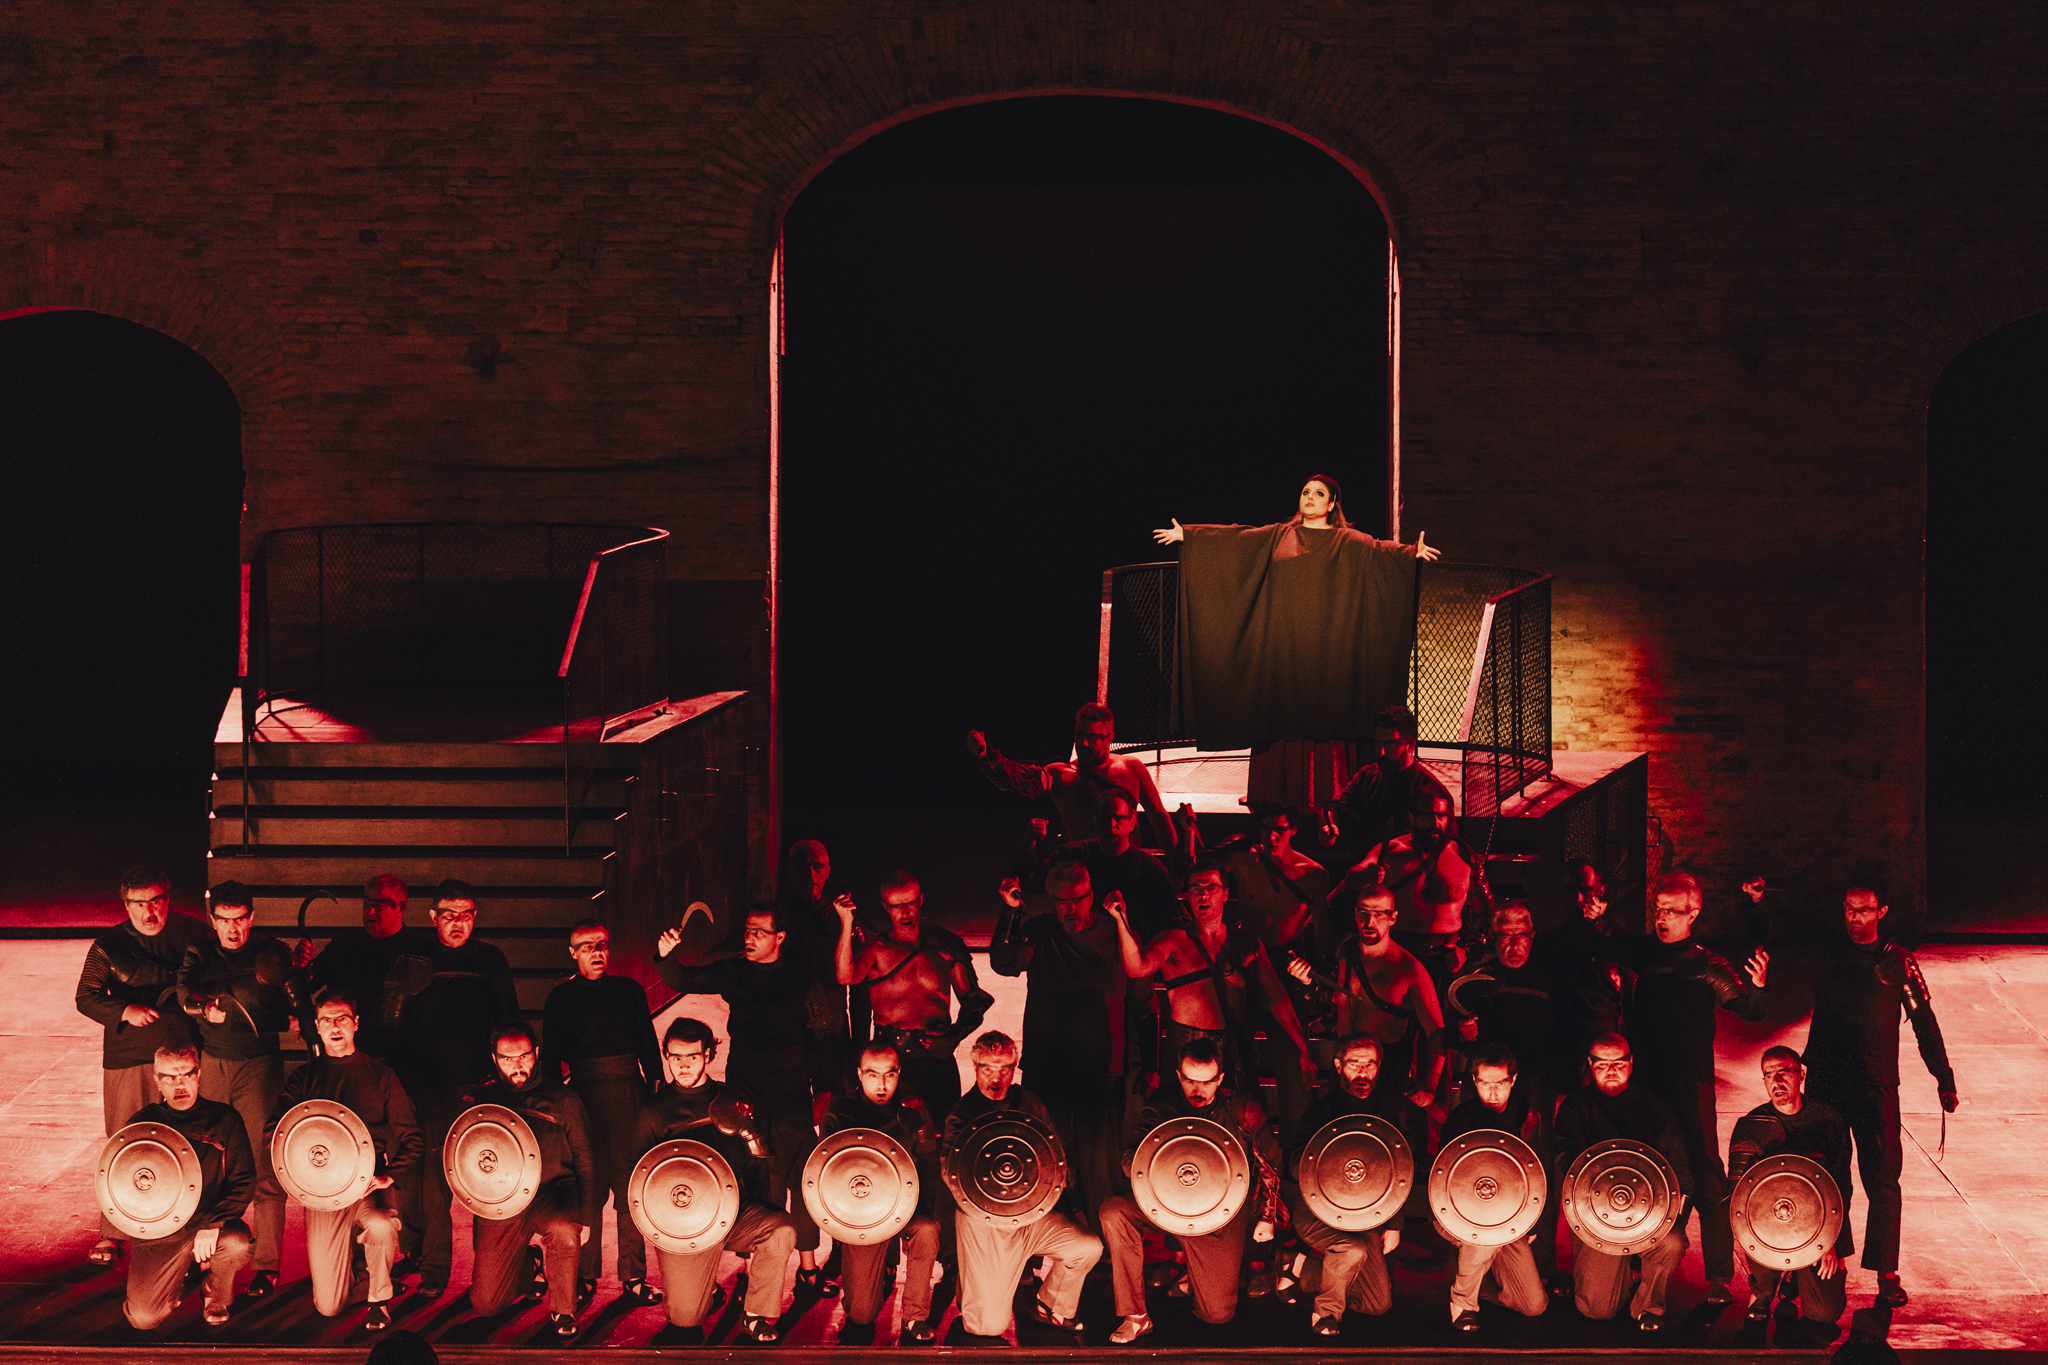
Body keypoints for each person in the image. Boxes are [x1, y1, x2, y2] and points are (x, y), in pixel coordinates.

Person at [1153, 475, 1439, 809]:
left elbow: (1379, 551)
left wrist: (1410, 553)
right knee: (1280, 709)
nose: (1310, 498)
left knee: (1328, 708)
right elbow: (1237, 539)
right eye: (1305, 492)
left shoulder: (1348, 541)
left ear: (1332, 504)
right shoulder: (1279, 535)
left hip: (1329, 644)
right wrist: (1190, 535)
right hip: (1283, 644)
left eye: (1319, 493)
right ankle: (1273, 791)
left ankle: (1331, 795)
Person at [1579, 871, 1767, 1303]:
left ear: (1693, 913)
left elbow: (1752, 1011)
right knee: (1639, 1170)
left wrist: (1759, 986)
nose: (1662, 918)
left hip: (1690, 1082)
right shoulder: (1641, 953)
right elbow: (1594, 946)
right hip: (1644, 1083)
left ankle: (1719, 1276)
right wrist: (1593, 920)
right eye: (1658, 909)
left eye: (1672, 911)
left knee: (1707, 1175)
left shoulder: (1708, 963)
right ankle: (1633, 1264)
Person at [659, 902, 836, 1294]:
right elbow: (682, 979)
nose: (750, 937)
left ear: (780, 937)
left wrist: (823, 1091)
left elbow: (825, 1038)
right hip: (745, 1088)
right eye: (747, 930)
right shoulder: (735, 971)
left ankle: (808, 1269)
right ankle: (751, 1269)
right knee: (755, 1175)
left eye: (759, 931)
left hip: (791, 1089)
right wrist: (666, 955)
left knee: (802, 1178)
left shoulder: (803, 980)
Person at [1802, 881, 1958, 1309]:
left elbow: (1924, 1021)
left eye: (1865, 910)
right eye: (1849, 908)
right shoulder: (1829, 954)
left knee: (1884, 1183)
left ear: (1882, 911)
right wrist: (1756, 907)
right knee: (1828, 1177)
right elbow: (1772, 943)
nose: (1855, 917)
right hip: (1828, 1082)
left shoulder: (1899, 960)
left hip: (1876, 1085)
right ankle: (1829, 1260)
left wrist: (1943, 1076)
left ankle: (1887, 1273)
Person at [1098, 1038, 1282, 1343]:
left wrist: (1267, 1216)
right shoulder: (1162, 1104)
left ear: (1220, 1079)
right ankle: (1136, 1316)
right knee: (1114, 1211)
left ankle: (1199, 1278)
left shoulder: (1241, 1108)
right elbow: (1130, 1159)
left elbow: (1271, 1163)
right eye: (1190, 1081)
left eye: (1207, 1082)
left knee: (1217, 1315)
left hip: (1220, 1215)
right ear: (1179, 1076)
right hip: (1166, 1204)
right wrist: (1162, 1167)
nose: (1198, 1090)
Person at [391, 879, 521, 1298]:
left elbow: (509, 1022)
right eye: (449, 914)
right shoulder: (415, 959)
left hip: (478, 1087)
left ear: (474, 917)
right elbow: (396, 1026)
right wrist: (409, 1085)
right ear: (433, 917)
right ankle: (433, 1269)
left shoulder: (490, 959)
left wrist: (502, 1083)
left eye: (466, 915)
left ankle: (495, 1266)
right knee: (431, 1186)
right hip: (429, 1087)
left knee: (488, 1178)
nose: (457, 922)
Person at [75, 866, 208, 1267]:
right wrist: (124, 1010)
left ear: (167, 898)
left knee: (188, 1139)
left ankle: (187, 1225)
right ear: (126, 905)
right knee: (124, 1141)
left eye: (155, 901)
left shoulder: (196, 935)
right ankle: (114, 1231)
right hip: (128, 1055)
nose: (149, 911)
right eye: (138, 903)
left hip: (185, 1054)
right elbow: (86, 995)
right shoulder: (110, 944)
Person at [634, 1017, 796, 1343]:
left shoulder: (731, 1101)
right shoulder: (653, 1111)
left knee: (780, 1230)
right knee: (685, 1325)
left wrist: (762, 1217)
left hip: (733, 1212)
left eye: (692, 1056)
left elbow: (758, 1166)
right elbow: (636, 1177)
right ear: (666, 1056)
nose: (683, 1066)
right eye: (676, 1057)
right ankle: (705, 1293)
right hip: (682, 1224)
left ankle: (754, 1315)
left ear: (707, 1055)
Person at [266, 992, 421, 1328]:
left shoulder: (381, 1075)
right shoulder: (304, 1078)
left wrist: (389, 1176)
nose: (335, 1027)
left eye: (342, 1019)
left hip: (369, 1183)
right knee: (329, 1306)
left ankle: (379, 1298)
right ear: (317, 1027)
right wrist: (300, 1174)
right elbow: (273, 1133)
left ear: (356, 1024)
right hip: (323, 1192)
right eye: (326, 1021)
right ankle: (364, 1275)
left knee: (380, 1224)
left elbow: (412, 1138)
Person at [989, 863, 1134, 1218]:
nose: (1070, 909)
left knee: (1099, 1167)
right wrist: (1011, 911)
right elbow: (1005, 962)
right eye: (1060, 902)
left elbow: (1139, 995)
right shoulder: (1041, 930)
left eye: (1077, 900)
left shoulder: (1111, 932)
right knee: (1045, 1159)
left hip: (1098, 1062)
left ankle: (1102, 1242)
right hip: (1047, 1061)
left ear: (1091, 896)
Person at [175, 881, 293, 1296]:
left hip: (260, 1065)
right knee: (207, 1163)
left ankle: (267, 1264)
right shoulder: (200, 953)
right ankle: (203, 1257)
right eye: (224, 920)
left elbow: (289, 997)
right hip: (214, 1063)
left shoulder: (270, 951)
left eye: (240, 919)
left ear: (251, 918)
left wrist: (301, 969)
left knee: (265, 1164)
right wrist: (201, 1007)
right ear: (213, 921)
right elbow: (183, 990)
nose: (233, 928)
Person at [1106, 860, 1314, 1095]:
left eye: (1210, 888)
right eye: (1196, 889)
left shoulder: (1245, 942)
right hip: (1183, 1048)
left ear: (1225, 894)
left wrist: (1303, 1049)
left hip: (1231, 1051)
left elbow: (1276, 999)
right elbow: (1137, 968)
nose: (1203, 895)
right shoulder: (1173, 940)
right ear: (1188, 895)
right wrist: (1120, 921)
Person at [944, 1031, 1102, 1339]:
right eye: (988, 1068)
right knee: (987, 1327)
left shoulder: (1029, 1103)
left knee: (1087, 1247)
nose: (996, 1077)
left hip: (1030, 1218)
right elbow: (952, 1176)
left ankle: (1052, 1305)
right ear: (975, 1068)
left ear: (1014, 1067)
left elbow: (1056, 1157)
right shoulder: (962, 1115)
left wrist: (1073, 1207)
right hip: (986, 1224)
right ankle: (972, 1277)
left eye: (1004, 1068)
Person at [543, 917, 664, 1306]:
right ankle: (585, 1275)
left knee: (631, 1187)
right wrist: (552, 1112)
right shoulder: (560, 998)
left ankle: (634, 1276)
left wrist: (656, 1094)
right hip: (583, 1099)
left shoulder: (629, 991)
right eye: (587, 946)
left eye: (602, 944)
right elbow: (550, 1060)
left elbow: (648, 1045)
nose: (596, 952)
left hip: (629, 1094)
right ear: (573, 953)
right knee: (588, 1188)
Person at [457, 1022, 599, 1335]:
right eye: (507, 1059)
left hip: (552, 1192)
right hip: (504, 1202)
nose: (517, 1065)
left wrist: (587, 1217)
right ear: (495, 1059)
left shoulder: (562, 1098)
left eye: (523, 1056)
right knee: (486, 1305)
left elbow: (586, 1160)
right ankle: (528, 1264)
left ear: (536, 1053)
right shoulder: (484, 1100)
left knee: (563, 1229)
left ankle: (563, 1309)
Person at [1554, 1034, 1692, 1330]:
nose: (1611, 1070)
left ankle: (1648, 1306)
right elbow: (1568, 1166)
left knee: (1671, 1242)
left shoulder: (1655, 1107)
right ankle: (1621, 1276)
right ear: (1590, 1065)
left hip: (1649, 1215)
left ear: (1631, 1063)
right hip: (1597, 1220)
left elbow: (1681, 1168)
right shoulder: (1575, 1108)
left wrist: (1677, 1220)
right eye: (1603, 1064)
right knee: (1596, 1310)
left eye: (1618, 1063)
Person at [834, 872, 994, 1126]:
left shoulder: (946, 945)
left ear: (920, 900)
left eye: (910, 903)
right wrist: (845, 922)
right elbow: (846, 976)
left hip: (936, 1059)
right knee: (891, 1134)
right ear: (886, 907)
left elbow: (975, 999)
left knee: (943, 1131)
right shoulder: (877, 949)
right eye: (897, 906)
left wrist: (954, 1034)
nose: (905, 912)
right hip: (889, 1060)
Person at [1292, 885, 1445, 1147]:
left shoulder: (1409, 969)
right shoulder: (1341, 951)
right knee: (1340, 1140)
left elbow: (1437, 1032)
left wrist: (1430, 1085)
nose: (1369, 921)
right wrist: (1306, 980)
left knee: (1386, 1146)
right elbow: (1322, 999)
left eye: (1378, 914)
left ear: (1393, 917)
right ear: (1355, 914)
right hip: (1345, 1065)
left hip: (1389, 1071)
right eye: (1364, 913)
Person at [118, 1044, 254, 1329]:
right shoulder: (142, 1125)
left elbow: (244, 1181)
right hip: (160, 1233)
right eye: (170, 1077)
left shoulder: (225, 1120)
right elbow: (121, 1187)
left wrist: (212, 1224)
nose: (179, 1085)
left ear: (198, 1075)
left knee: (237, 1243)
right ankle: (176, 1282)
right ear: (157, 1080)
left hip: (207, 1224)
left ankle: (214, 1293)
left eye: (187, 1074)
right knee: (143, 1318)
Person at [818, 1042, 944, 1344]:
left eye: (889, 1074)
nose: (882, 1084)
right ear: (860, 1074)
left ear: (899, 1073)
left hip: (905, 1205)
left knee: (927, 1229)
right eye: (873, 1075)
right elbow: (824, 1174)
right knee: (861, 1315)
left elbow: (928, 1162)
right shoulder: (840, 1112)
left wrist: (924, 1208)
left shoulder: (912, 1108)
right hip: (862, 1216)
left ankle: (915, 1316)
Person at [1728, 1046, 1852, 1342]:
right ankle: (1763, 1292)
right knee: (1760, 1292)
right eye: (1768, 1075)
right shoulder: (1752, 1124)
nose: (1776, 1081)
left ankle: (1795, 1278)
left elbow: (1840, 1188)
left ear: (1801, 1075)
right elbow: (1737, 1196)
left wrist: (1831, 1243)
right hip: (1767, 1225)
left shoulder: (1828, 1119)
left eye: (1783, 1072)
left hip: (1815, 1226)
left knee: (1825, 1313)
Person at [1284, 1034, 1403, 1335]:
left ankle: (1300, 1267)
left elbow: (1401, 1172)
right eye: (1354, 1064)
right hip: (1317, 1212)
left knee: (1378, 1304)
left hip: (1365, 1217)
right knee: (1351, 1250)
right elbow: (1295, 1166)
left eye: (1369, 1064)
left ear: (1378, 1066)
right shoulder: (1319, 1113)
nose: (1362, 1072)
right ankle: (1326, 1314)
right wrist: (1331, 1156)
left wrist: (1394, 1225)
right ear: (1338, 1066)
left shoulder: (1387, 1113)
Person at [1437, 1042, 1552, 1330]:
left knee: (1534, 1306)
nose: (1492, 1092)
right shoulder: (1462, 1118)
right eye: (1484, 1083)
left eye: (1500, 1083)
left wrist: (1531, 1223)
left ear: (1513, 1080)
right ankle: (1463, 1303)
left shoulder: (1526, 1114)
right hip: (1461, 1213)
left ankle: (1475, 1279)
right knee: (1483, 1239)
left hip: (1510, 1217)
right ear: (1474, 1081)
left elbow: (1537, 1173)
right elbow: (1443, 1179)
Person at [971, 702, 1180, 850]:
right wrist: (985, 755)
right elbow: (1018, 781)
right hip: (1086, 870)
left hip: (1129, 867)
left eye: (1092, 737)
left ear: (1110, 738)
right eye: (1079, 735)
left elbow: (1158, 815)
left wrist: (1175, 860)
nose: (1083, 743)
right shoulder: (1061, 775)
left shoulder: (1131, 768)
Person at [1349, 788, 1476, 1008]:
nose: (1435, 823)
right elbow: (1351, 879)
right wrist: (1367, 876)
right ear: (1412, 817)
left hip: (1445, 961)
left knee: (1442, 1025)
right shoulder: (1390, 851)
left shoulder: (1464, 855)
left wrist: (1465, 949)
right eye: (1427, 815)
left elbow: (1486, 912)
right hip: (1396, 956)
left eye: (1441, 815)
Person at [1023, 785, 1183, 944]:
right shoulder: (1073, 854)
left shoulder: (1151, 870)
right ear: (1095, 821)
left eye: (1118, 817)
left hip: (1133, 951)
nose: (1111, 824)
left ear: (1132, 821)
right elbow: (1032, 883)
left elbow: (1170, 924)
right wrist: (1030, 844)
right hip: (1081, 950)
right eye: (1104, 818)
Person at [1450, 902, 1570, 1102]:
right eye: (1505, 936)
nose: (1514, 945)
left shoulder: (1550, 981)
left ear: (1531, 937)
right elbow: (1454, 1035)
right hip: (1487, 1078)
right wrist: (1463, 1034)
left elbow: (1564, 1038)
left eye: (1520, 935)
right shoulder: (1478, 979)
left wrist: (1563, 1086)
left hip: (1535, 1081)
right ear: (1494, 938)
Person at [298, 874, 426, 1058]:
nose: (370, 912)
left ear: (401, 907)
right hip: (347, 1058)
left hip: (402, 1059)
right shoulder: (344, 945)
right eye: (366, 903)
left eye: (379, 905)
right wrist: (300, 965)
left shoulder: (420, 949)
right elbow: (306, 984)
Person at [1335, 705, 1454, 851]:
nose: (1381, 752)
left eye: (1390, 744)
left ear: (1410, 745)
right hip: (1364, 863)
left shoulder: (1432, 790)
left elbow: (1448, 848)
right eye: (1377, 743)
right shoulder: (1366, 776)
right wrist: (1329, 826)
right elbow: (1335, 808)